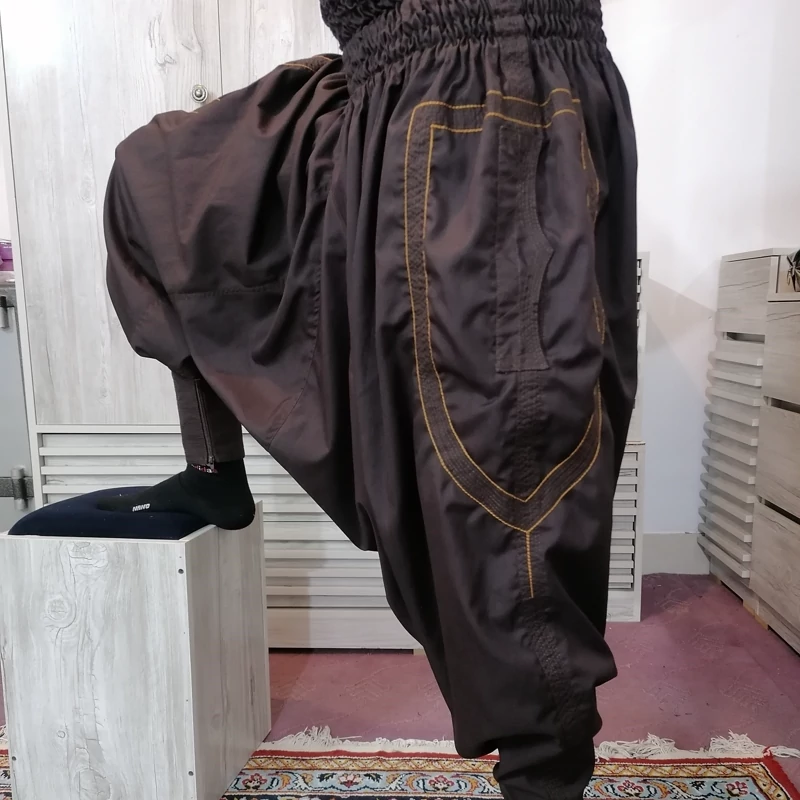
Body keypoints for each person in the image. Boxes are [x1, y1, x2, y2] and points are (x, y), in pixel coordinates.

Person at [101, 1, 638, 797]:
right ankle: (214, 473)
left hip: (485, 90)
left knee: (508, 511)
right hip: (377, 92)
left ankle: (545, 783)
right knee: (155, 178)